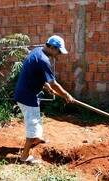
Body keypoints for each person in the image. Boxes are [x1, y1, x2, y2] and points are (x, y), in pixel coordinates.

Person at [14, 35, 75, 163]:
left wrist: (45, 85)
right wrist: (66, 95)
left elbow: (36, 74)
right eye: (58, 51)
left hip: (27, 93)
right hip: (27, 96)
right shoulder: (43, 60)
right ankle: (24, 157)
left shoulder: (37, 51)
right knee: (33, 125)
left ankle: (36, 138)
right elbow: (54, 83)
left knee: (35, 119)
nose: (58, 54)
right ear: (52, 47)